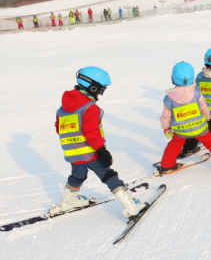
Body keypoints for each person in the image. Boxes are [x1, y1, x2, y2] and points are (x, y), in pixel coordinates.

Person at [52, 67, 146, 219]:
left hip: (72, 153)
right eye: (100, 90)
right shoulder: (90, 108)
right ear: (92, 87)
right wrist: (102, 151)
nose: (100, 94)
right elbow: (91, 133)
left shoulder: (62, 109)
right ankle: (131, 206)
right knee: (108, 175)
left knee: (78, 175)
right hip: (90, 152)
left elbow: (59, 129)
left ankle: (68, 201)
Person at [158, 62, 211, 179]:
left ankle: (167, 165)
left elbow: (166, 116)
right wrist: (206, 119)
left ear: (173, 78)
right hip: (200, 127)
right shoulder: (196, 92)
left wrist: (166, 128)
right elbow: (204, 107)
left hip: (181, 130)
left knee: (174, 145)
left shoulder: (169, 98)